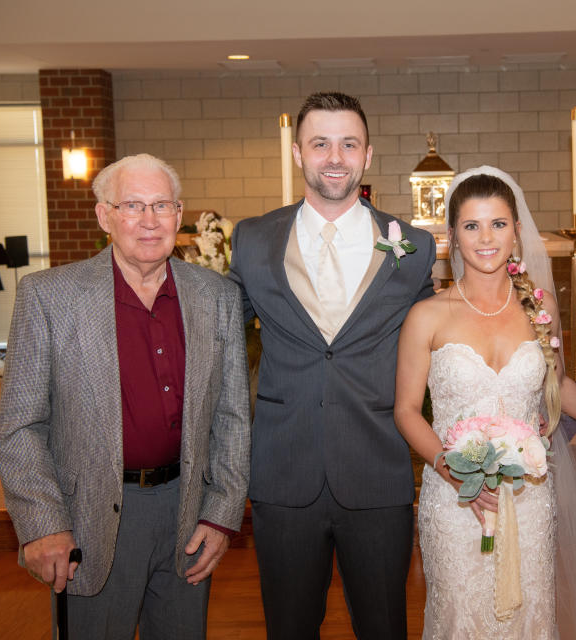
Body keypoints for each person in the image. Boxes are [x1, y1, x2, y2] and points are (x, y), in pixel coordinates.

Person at [0, 153, 251, 638]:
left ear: (179, 215)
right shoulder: (50, 297)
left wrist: (221, 516)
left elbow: (233, 417)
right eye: (132, 205)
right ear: (104, 215)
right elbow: (21, 427)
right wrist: (42, 522)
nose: (149, 221)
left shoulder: (216, 296)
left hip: (187, 513)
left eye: (162, 205)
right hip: (87, 516)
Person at [228, 92, 436, 639]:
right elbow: (217, 338)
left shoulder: (412, 246)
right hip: (282, 472)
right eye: (320, 143)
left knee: (384, 627)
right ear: (298, 153)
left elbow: (440, 346)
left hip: (377, 472)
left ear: (369, 155)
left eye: (349, 143)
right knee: (289, 628)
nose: (335, 157)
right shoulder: (252, 240)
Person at [394, 166, 576, 639]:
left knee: (528, 616)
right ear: (452, 237)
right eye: (471, 225)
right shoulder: (427, 315)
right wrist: (451, 470)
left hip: (528, 496)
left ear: (517, 231)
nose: (486, 238)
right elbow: (405, 410)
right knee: (460, 617)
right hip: (455, 502)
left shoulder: (539, 307)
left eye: (498, 224)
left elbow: (559, 385)